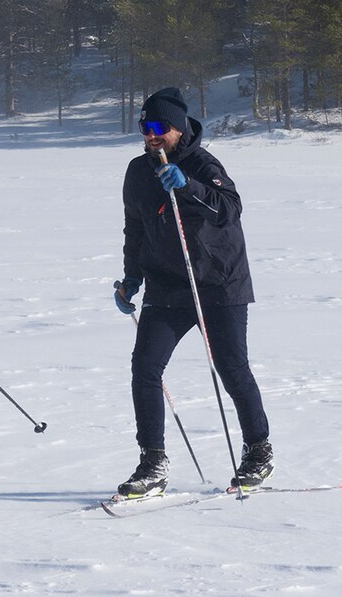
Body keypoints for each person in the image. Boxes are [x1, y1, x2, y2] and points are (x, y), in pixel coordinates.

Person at [114, 87, 274, 497]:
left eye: (159, 127)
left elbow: (230, 208)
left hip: (218, 283)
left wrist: (187, 187)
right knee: (145, 367)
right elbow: (135, 228)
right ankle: (153, 462)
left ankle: (258, 450)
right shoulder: (137, 171)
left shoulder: (203, 164)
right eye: (144, 127)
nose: (151, 135)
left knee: (231, 368)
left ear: (178, 128)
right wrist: (132, 278)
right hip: (167, 284)